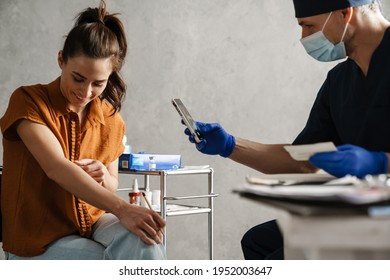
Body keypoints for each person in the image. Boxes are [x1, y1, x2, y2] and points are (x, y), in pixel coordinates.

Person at [183, 0, 390, 259]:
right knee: (259, 242)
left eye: (308, 25)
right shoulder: (340, 81)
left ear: (344, 13)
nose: (304, 37)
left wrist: (379, 162)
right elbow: (304, 161)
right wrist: (230, 145)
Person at [0, 0, 166, 260]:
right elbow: (56, 167)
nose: (85, 92)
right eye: (78, 78)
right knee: (106, 261)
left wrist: (103, 176)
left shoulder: (111, 118)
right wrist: (123, 209)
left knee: (145, 240)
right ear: (61, 60)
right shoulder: (28, 101)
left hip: (92, 226)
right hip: (37, 241)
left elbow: (112, 184)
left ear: (110, 77)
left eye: (98, 83)